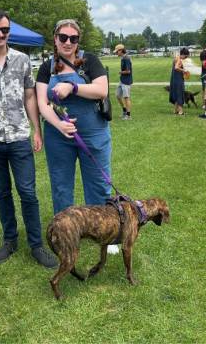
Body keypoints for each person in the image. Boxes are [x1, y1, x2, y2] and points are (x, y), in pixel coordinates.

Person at [0, 9, 57, 268]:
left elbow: (29, 98)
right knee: (2, 192)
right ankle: (10, 240)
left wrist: (37, 130)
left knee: (27, 191)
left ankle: (36, 245)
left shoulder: (22, 60)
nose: (1, 34)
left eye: (5, 30)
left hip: (18, 137)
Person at [36, 19, 119, 255]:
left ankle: (105, 231)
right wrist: (59, 125)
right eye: (63, 37)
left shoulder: (90, 61)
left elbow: (101, 90)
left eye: (73, 38)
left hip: (93, 132)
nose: (68, 42)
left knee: (99, 185)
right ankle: (65, 231)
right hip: (58, 134)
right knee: (61, 185)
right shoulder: (46, 67)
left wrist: (72, 88)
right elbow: (42, 103)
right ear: (55, 38)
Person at [169, 47, 191, 115]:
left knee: (176, 94)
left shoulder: (176, 58)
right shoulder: (179, 59)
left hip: (174, 79)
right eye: (186, 56)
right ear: (183, 54)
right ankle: (181, 111)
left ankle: (175, 110)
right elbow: (176, 67)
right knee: (180, 94)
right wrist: (184, 70)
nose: (186, 58)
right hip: (178, 79)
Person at [114, 43, 133, 120]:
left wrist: (121, 72)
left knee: (126, 97)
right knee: (118, 95)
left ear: (121, 50)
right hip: (122, 80)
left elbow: (128, 71)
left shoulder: (126, 58)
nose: (116, 53)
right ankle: (124, 110)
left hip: (126, 81)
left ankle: (128, 116)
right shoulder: (123, 58)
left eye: (117, 51)